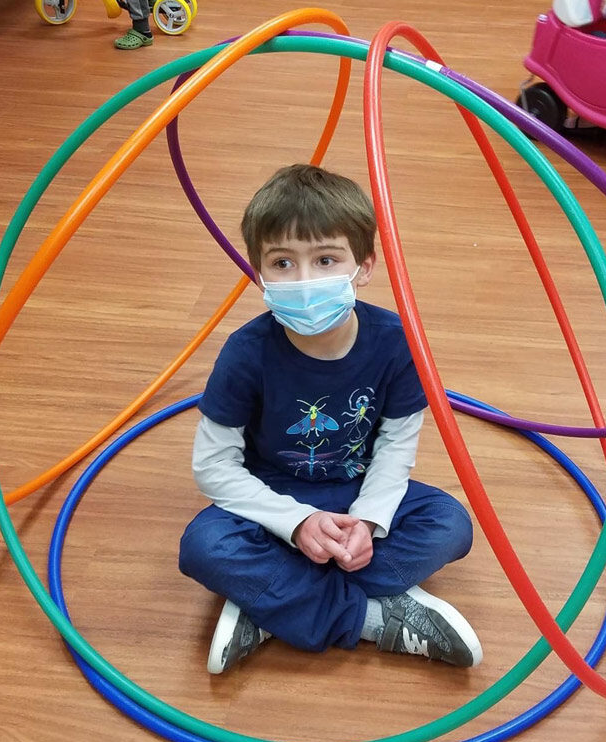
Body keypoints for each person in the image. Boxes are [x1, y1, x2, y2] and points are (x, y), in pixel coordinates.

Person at [178, 164, 482, 674]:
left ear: (364, 267)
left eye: (325, 259)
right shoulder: (245, 352)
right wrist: (295, 524)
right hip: (270, 499)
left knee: (449, 524)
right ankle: (372, 619)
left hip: (355, 491)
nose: (305, 281)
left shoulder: (397, 343)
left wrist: (367, 519)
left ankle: (274, 604)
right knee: (204, 546)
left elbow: (395, 447)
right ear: (258, 272)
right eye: (282, 262)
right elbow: (214, 468)